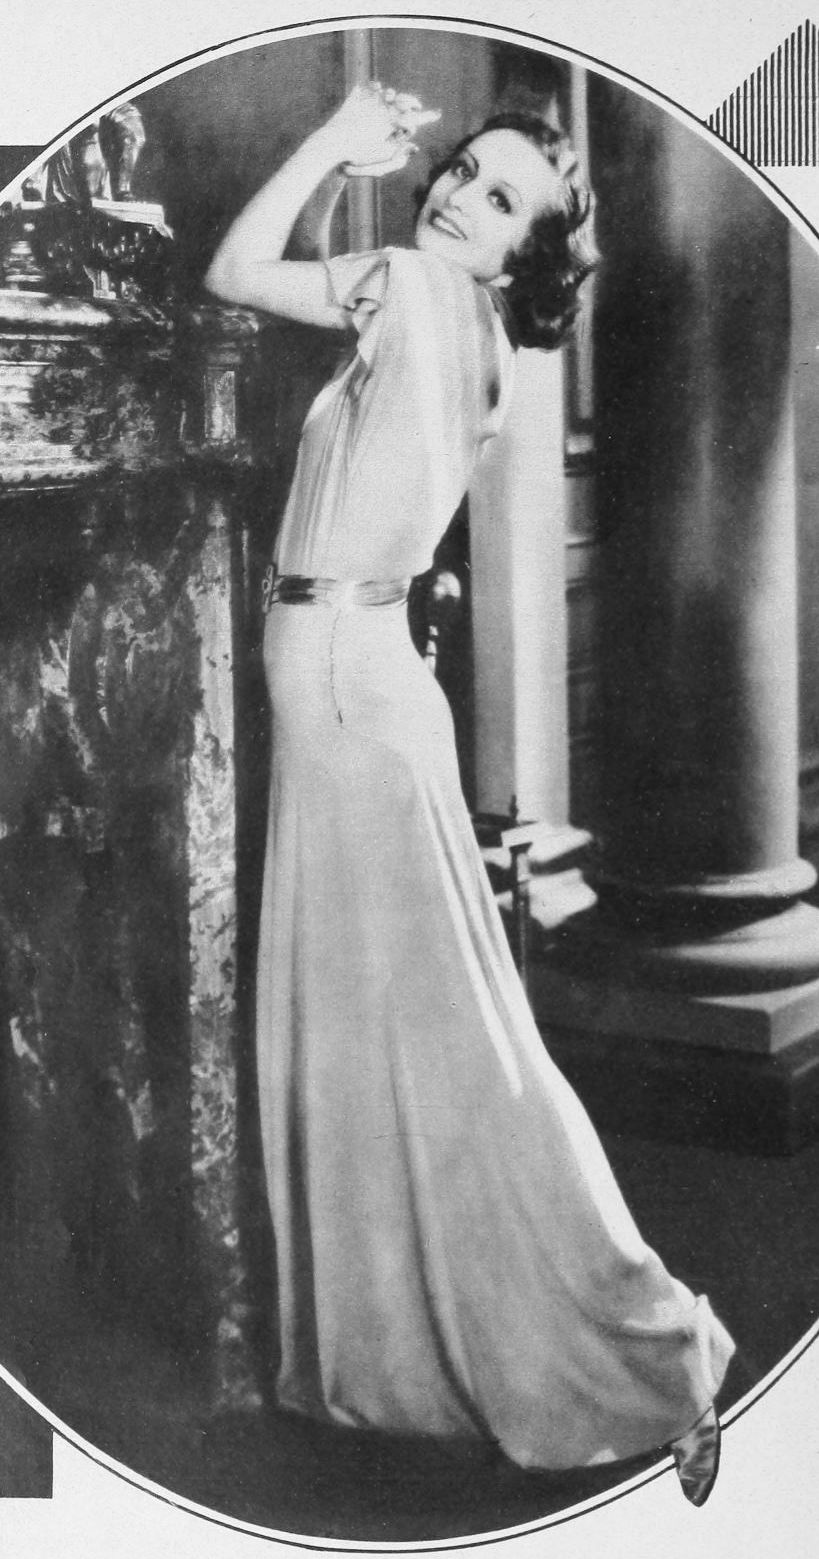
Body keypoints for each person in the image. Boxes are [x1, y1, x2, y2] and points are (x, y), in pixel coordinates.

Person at [205, 82, 735, 1510]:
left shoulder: (414, 286)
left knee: (434, 1049)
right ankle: (444, 1346)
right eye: (459, 172)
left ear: (524, 252)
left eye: (500, 199)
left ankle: (645, 1347)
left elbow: (235, 272)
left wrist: (330, 145)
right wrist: (349, 176)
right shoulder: (479, 335)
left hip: (345, 689)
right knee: (424, 1040)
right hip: (366, 684)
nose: (455, 197)